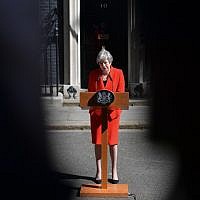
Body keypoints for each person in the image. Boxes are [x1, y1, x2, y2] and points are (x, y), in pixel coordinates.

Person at [88, 47, 125, 184]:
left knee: (112, 143)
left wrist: (111, 108)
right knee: (98, 142)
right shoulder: (93, 74)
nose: (104, 65)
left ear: (110, 61)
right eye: (101, 63)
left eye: (106, 62)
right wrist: (94, 110)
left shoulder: (119, 73)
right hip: (97, 115)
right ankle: (99, 171)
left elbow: (121, 95)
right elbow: (90, 95)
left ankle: (114, 171)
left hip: (112, 115)